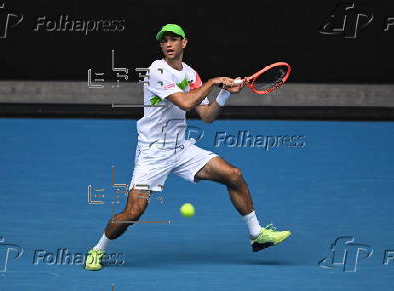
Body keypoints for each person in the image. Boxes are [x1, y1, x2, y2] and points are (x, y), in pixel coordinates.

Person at [85, 24, 291, 271]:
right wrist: (215, 81)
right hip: (153, 152)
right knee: (133, 212)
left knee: (233, 175)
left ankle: (256, 234)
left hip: (181, 149)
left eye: (174, 39)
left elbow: (206, 116)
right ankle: (98, 249)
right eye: (164, 41)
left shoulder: (192, 76)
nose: (168, 44)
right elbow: (184, 103)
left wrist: (224, 94)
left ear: (185, 43)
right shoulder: (155, 70)